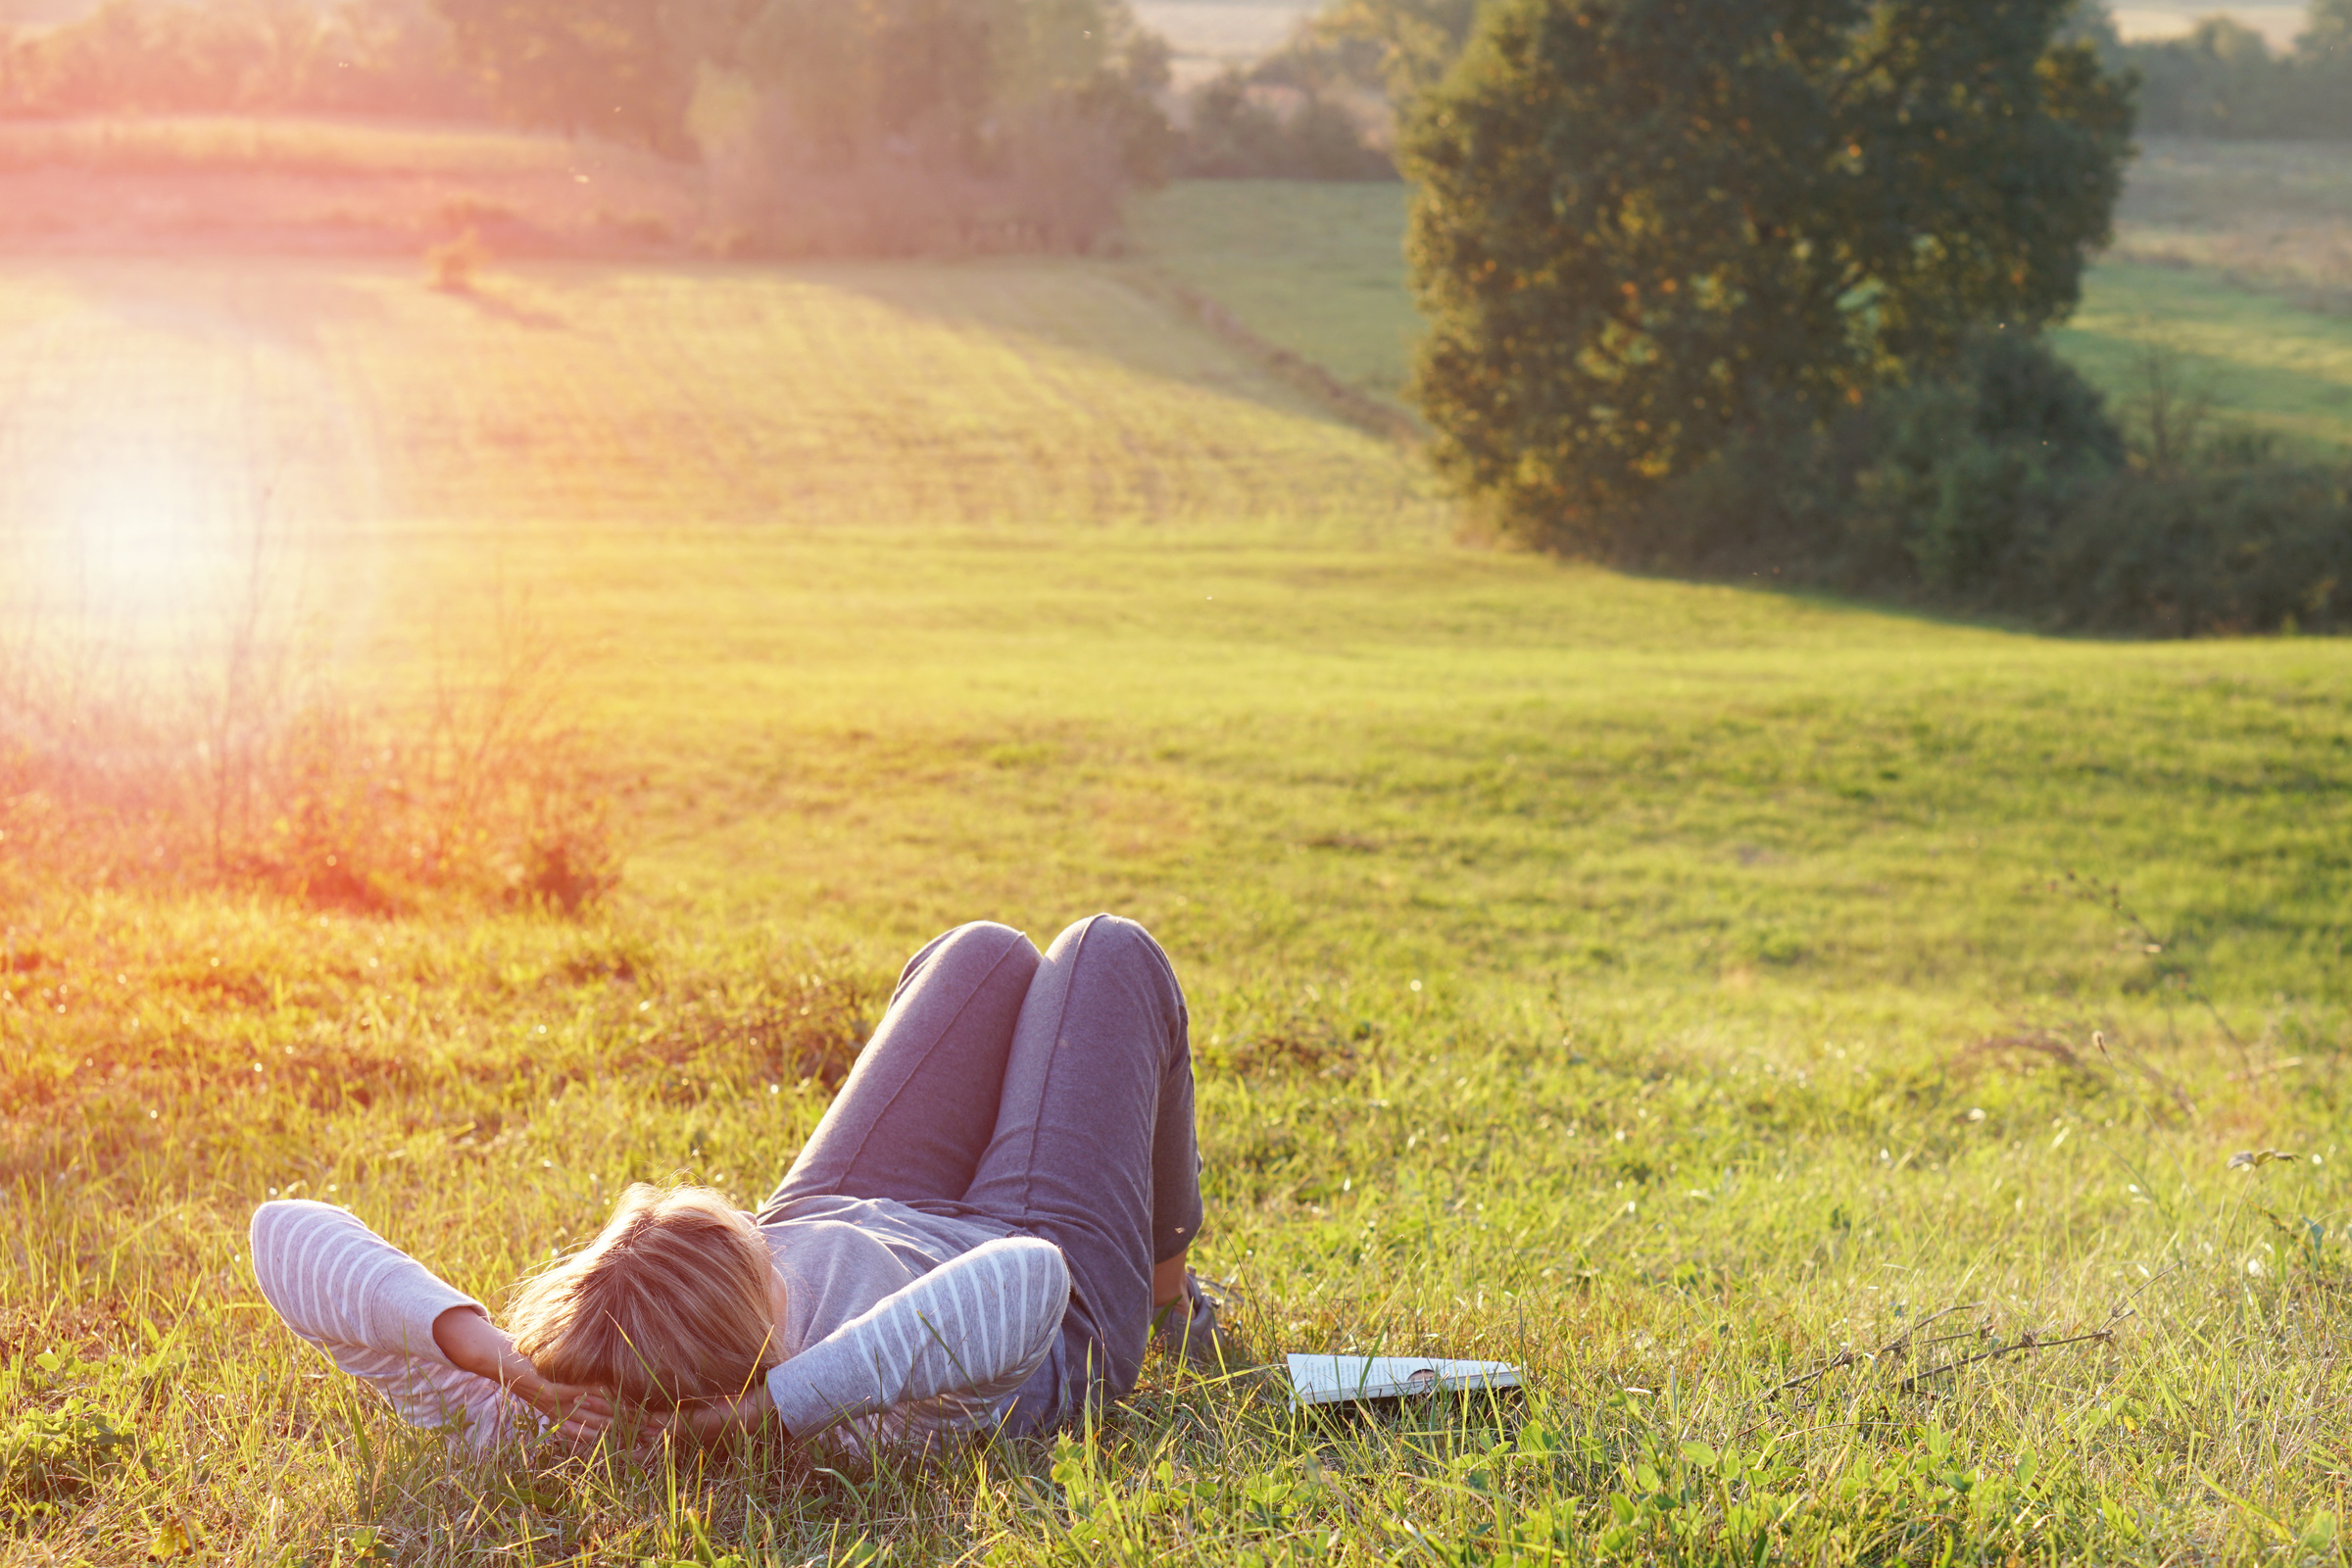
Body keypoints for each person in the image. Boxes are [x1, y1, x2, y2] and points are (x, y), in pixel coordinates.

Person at [249, 915, 1240, 1456]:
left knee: (978, 954)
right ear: (762, 1319)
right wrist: (766, 1413)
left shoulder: (552, 1396)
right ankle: (1169, 1304)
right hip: (1040, 1283)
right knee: (1106, 951)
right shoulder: (865, 1417)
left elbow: (284, 1232)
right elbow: (1024, 1279)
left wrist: (505, 1362)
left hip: (850, 1207)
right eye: (754, 1252)